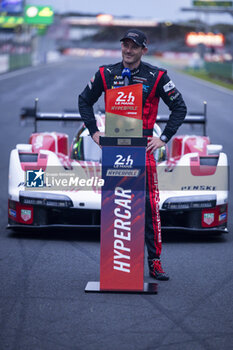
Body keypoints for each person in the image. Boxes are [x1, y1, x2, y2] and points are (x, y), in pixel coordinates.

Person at [78, 29, 187, 280]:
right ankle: (117, 263)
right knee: (115, 204)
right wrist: (94, 131)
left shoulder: (157, 76)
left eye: (134, 46)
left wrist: (164, 138)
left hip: (143, 149)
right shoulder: (106, 73)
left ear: (143, 50)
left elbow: (179, 106)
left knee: (149, 206)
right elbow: (84, 100)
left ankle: (154, 262)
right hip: (114, 149)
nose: (128, 50)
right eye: (125, 45)